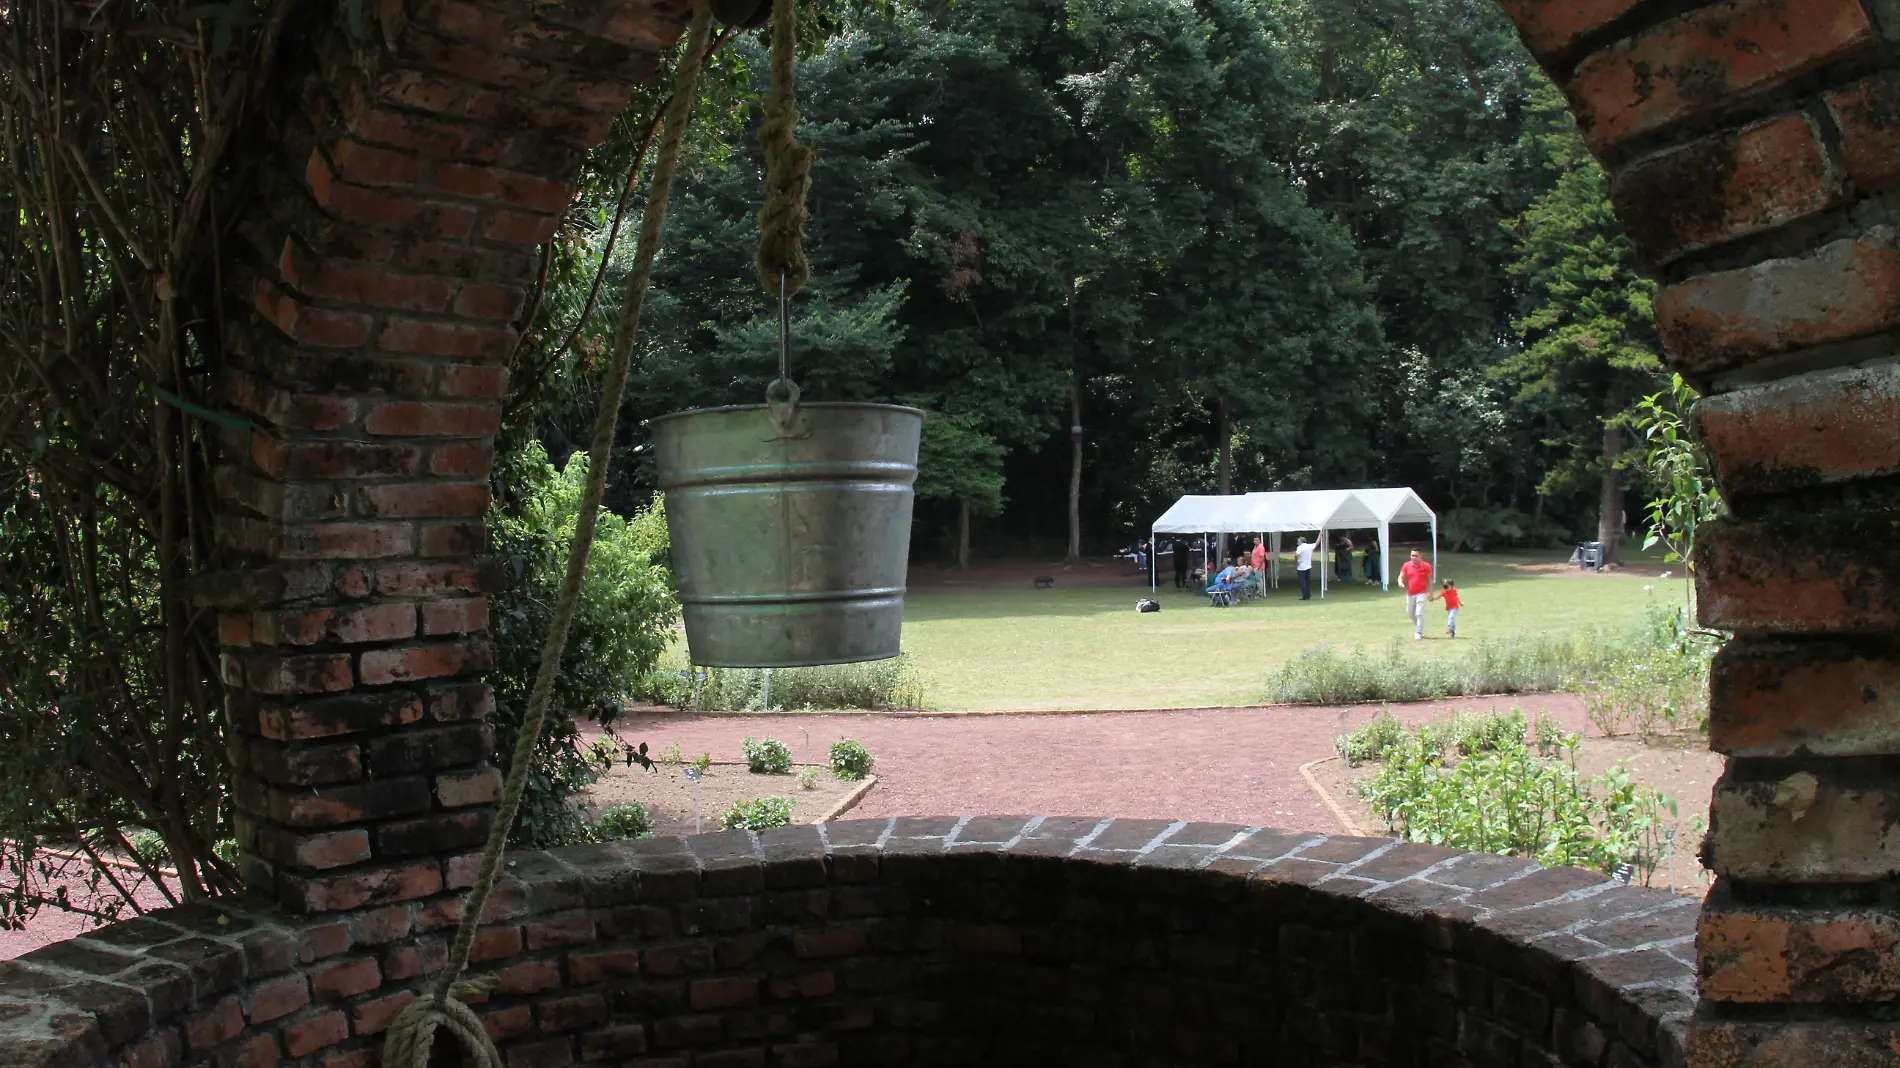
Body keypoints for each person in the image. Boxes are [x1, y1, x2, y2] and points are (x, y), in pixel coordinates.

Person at [1399, 549, 1434, 638]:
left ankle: (1418, 632)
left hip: (1421, 593)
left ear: (1420, 555)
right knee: (1410, 613)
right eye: (1412, 555)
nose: (1413, 558)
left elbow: (1430, 580)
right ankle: (1418, 625)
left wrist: (1430, 593)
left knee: (1419, 613)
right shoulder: (1406, 565)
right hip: (1410, 593)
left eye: (1415, 556)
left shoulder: (1426, 566)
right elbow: (1401, 576)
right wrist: (1400, 582)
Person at [1294, 535, 1319, 600]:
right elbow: (1316, 543)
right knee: (1307, 581)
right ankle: (1308, 595)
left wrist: (1296, 562)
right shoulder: (1309, 546)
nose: (1297, 542)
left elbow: (1296, 555)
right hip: (1308, 565)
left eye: (1298, 541)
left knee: (1302, 581)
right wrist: (1319, 536)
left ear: (1301, 541)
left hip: (1301, 566)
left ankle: (1304, 595)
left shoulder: (1300, 547)